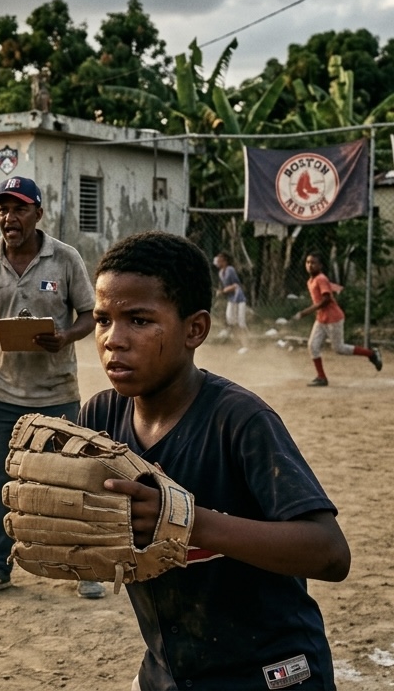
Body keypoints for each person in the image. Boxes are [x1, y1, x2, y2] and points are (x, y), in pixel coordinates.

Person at [80, 231, 350, 690]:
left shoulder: (240, 420)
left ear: (195, 329)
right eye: (103, 320)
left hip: (269, 672)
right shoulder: (100, 417)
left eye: (139, 320)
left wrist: (185, 521)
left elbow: (329, 553)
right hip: (172, 671)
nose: (114, 340)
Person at [0, 176, 104, 599]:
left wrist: (65, 336)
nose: (9, 217)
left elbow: (91, 314)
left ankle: (82, 567)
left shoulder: (65, 259)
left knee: (68, 482)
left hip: (57, 393)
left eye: (19, 208)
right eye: (2, 209)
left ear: (38, 213)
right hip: (1, 393)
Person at [292, 251, 381, 386]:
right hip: (322, 318)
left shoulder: (321, 278)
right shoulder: (311, 281)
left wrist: (304, 312)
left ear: (320, 266)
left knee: (339, 348)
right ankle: (321, 377)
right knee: (313, 345)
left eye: (313, 263)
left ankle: (371, 354)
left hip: (333, 318)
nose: (310, 265)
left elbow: (326, 300)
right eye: (308, 262)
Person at [212, 251, 249, 352]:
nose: (216, 262)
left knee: (241, 322)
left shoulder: (230, 270)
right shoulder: (221, 273)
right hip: (231, 299)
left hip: (239, 299)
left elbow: (236, 285)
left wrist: (224, 291)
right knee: (230, 320)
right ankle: (239, 343)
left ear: (224, 261)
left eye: (219, 260)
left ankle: (246, 345)